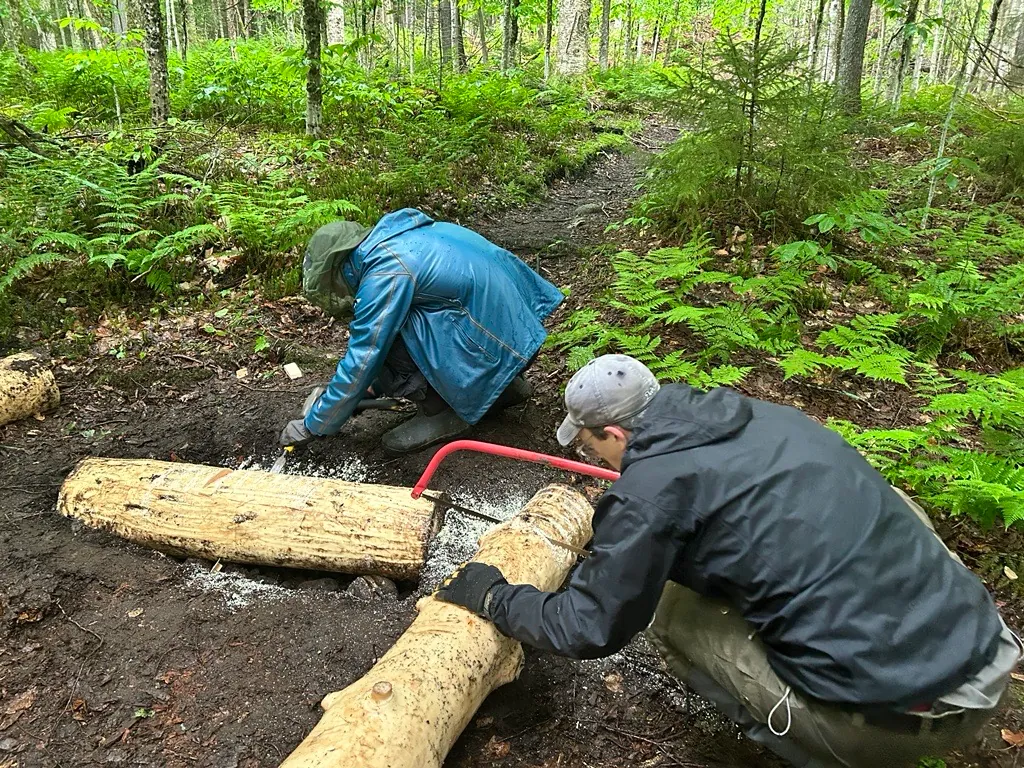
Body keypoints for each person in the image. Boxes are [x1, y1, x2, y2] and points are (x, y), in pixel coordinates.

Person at [436, 354, 1020, 767]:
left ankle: (814, 746)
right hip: (982, 653)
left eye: (592, 447)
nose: (598, 460)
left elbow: (588, 626)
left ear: (614, 433)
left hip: (900, 720)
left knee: (666, 613)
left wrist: (495, 597)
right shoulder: (763, 419)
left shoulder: (651, 492)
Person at [279, 209, 563, 454]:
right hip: (521, 339)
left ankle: (439, 412)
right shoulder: (405, 236)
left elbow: (365, 354)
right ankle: (505, 389)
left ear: (339, 264)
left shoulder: (385, 272)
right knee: (405, 317)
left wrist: (314, 424)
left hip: (497, 348)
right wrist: (369, 389)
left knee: (389, 334)